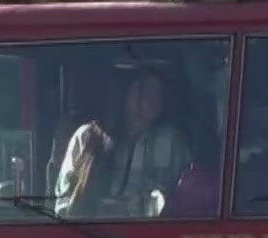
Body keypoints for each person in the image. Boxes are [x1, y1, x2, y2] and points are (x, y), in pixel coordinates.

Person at [56, 72, 194, 217]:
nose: (155, 99)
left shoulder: (172, 141)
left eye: (159, 93)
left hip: (151, 234)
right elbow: (63, 202)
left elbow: (185, 200)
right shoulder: (87, 136)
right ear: (124, 94)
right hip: (93, 234)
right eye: (145, 91)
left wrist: (137, 208)